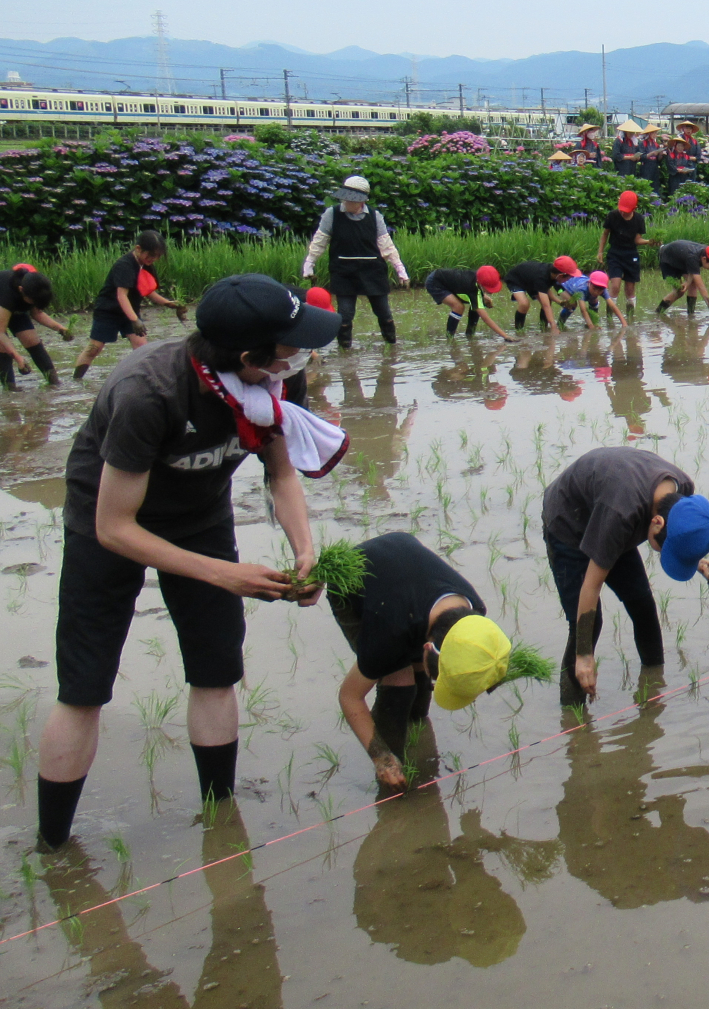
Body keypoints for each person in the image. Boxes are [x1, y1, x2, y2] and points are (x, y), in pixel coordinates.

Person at [36, 274, 342, 849]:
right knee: (83, 685)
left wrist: (304, 547)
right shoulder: (148, 393)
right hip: (107, 522)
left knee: (217, 666)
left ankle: (219, 819)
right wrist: (226, 575)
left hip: (200, 515)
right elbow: (114, 528)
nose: (302, 355)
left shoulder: (276, 381)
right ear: (250, 358)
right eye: (292, 345)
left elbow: (279, 472)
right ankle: (52, 846)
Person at [326, 532, 516, 788]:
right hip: (352, 578)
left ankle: (416, 723)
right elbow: (349, 697)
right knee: (398, 680)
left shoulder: (475, 616)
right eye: (438, 679)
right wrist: (382, 757)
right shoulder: (390, 633)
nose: (438, 685)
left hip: (405, 576)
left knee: (413, 679)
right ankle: (392, 774)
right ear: (427, 647)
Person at [542, 446, 709, 701]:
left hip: (611, 511)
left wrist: (698, 561)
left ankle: (654, 691)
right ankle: (573, 721)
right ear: (657, 522)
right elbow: (590, 587)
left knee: (642, 603)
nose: (663, 553)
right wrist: (584, 656)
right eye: (665, 549)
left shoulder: (682, 493)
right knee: (588, 627)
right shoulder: (621, 514)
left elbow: (684, 533)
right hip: (570, 522)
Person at [301, 175, 409, 349]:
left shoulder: (375, 216)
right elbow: (319, 241)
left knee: (383, 312)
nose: (347, 203)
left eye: (352, 200)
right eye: (345, 199)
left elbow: (386, 245)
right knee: (345, 313)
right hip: (344, 271)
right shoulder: (332, 214)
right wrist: (309, 263)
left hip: (373, 270)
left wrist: (400, 269)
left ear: (362, 201)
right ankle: (345, 348)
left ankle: (392, 345)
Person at [74, 231, 180, 379]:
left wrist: (169, 303)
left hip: (130, 312)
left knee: (142, 347)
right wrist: (134, 320)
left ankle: (145, 379)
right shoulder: (124, 265)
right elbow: (121, 296)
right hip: (108, 311)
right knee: (94, 349)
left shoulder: (147, 265)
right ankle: (77, 380)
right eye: (150, 255)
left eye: (157, 256)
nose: (153, 259)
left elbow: (148, 291)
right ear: (138, 249)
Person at [1, 263, 68, 389]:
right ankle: (10, 389)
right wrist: (18, 357)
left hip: (16, 309)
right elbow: (0, 332)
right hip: (2, 308)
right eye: (33, 301)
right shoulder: (8, 294)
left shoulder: (34, 288)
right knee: (3, 348)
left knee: (32, 340)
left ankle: (54, 383)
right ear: (21, 290)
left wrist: (60, 328)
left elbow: (37, 313)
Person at [424, 264, 515, 340]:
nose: (491, 292)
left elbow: (477, 293)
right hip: (435, 282)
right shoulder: (471, 288)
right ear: (480, 283)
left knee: (476, 303)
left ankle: (470, 334)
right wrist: (505, 336)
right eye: (489, 289)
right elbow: (486, 318)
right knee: (458, 307)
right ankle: (450, 338)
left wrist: (483, 296)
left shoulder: (478, 279)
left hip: (452, 283)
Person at [597, 188, 651, 311]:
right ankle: (610, 315)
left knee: (630, 288)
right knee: (615, 285)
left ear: (634, 208)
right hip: (615, 253)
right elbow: (605, 234)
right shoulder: (613, 216)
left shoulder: (638, 220)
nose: (623, 213)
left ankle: (630, 315)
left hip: (631, 254)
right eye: (622, 210)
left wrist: (649, 242)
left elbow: (637, 240)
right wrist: (600, 252)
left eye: (626, 211)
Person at [656, 241, 709, 316]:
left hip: (682, 258)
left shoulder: (706, 252)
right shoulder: (693, 257)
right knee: (679, 291)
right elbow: (701, 287)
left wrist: (688, 282)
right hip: (667, 258)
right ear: (704, 259)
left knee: (692, 284)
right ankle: (658, 312)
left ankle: (691, 314)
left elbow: (693, 269)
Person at [504, 257, 569, 331]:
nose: (567, 280)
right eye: (568, 278)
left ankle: (544, 328)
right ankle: (519, 331)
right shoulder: (542, 277)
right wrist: (553, 326)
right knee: (524, 304)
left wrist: (560, 302)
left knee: (548, 300)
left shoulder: (553, 275)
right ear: (561, 275)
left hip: (531, 281)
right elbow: (546, 305)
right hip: (516, 280)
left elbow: (548, 290)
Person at [556, 268, 629, 329]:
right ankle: (560, 324)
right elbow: (583, 310)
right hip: (563, 287)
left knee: (594, 301)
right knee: (572, 304)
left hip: (579, 284)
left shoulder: (602, 290)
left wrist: (624, 323)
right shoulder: (582, 289)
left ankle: (593, 321)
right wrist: (591, 327)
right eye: (594, 288)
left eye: (600, 290)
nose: (597, 292)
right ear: (589, 283)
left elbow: (613, 306)